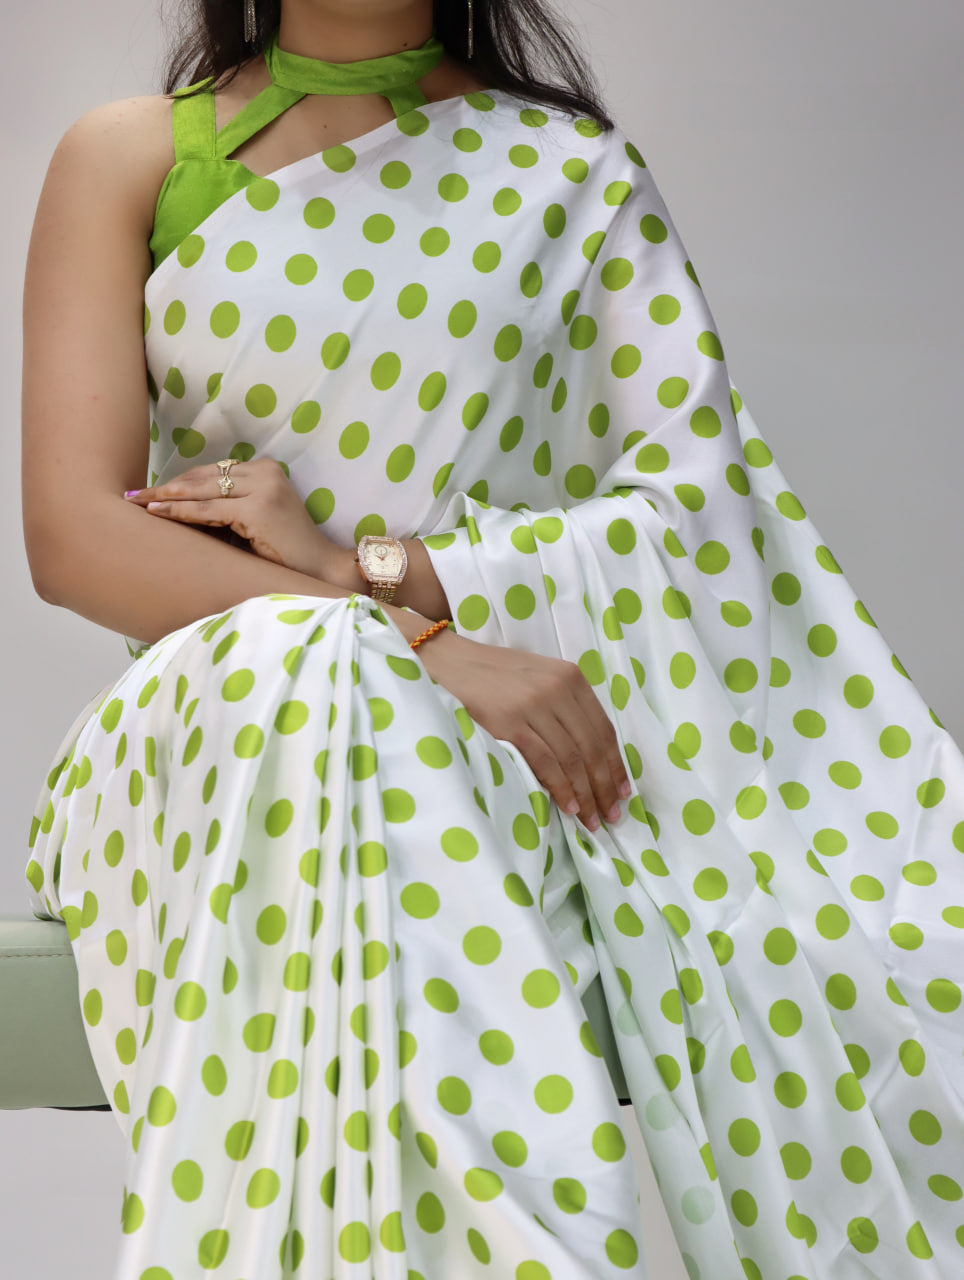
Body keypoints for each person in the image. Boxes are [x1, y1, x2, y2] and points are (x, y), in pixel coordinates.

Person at [20, 0, 964, 1276]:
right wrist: (409, 637)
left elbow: (695, 514)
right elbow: (76, 536)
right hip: (222, 733)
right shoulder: (131, 155)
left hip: (485, 753)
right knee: (300, 673)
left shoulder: (572, 175)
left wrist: (377, 570)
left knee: (350, 699)